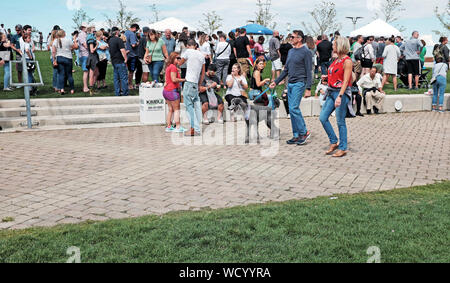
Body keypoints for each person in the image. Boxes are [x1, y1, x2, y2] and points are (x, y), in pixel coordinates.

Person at [270, 30, 312, 146]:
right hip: (290, 83)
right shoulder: (291, 51)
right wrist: (276, 81)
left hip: (300, 83)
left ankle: (304, 132)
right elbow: (286, 70)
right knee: (292, 110)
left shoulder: (306, 52)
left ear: (299, 38)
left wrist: (308, 88)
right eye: (290, 37)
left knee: (293, 108)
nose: (290, 39)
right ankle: (296, 135)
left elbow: (309, 71)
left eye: (292, 37)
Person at [319, 36, 354, 158]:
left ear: (340, 46)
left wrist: (340, 96)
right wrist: (326, 78)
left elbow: (345, 81)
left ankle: (343, 147)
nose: (332, 47)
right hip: (331, 91)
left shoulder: (347, 61)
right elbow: (335, 75)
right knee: (323, 117)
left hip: (340, 93)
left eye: (334, 45)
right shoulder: (336, 60)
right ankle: (334, 141)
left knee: (340, 121)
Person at [179, 39, 205, 136]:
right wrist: (199, 84)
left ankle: (195, 129)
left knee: (189, 106)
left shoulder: (188, 52)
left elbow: (180, 63)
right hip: (195, 83)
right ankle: (197, 127)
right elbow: (202, 73)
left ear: (187, 45)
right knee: (197, 106)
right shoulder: (201, 55)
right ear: (195, 45)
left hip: (189, 81)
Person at [163, 52, 187, 132]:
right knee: (177, 109)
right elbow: (174, 79)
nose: (179, 60)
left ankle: (169, 126)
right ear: (173, 58)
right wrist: (184, 79)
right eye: (178, 58)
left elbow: (167, 80)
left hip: (166, 90)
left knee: (170, 109)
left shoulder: (168, 66)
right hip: (172, 90)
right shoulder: (173, 67)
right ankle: (178, 126)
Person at [52, 29, 78, 95]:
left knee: (61, 74)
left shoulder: (55, 41)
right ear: (64, 34)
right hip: (68, 58)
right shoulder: (68, 40)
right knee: (69, 74)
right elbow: (75, 47)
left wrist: (54, 60)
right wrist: (74, 40)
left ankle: (62, 89)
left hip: (59, 58)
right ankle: (72, 89)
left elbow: (53, 51)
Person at [108, 27, 128, 96]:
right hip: (120, 61)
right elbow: (122, 50)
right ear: (117, 32)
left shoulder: (110, 40)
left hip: (114, 61)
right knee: (123, 78)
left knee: (116, 78)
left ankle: (117, 92)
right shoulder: (119, 40)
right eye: (118, 31)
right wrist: (125, 58)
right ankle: (125, 93)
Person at [125, 23, 140, 90]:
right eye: (136, 29)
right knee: (131, 71)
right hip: (132, 55)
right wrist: (138, 43)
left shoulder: (126, 32)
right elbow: (133, 44)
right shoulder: (132, 34)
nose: (136, 31)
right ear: (134, 28)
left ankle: (127, 84)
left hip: (127, 54)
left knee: (127, 70)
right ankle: (130, 85)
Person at [85, 26, 99, 95]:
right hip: (92, 57)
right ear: (90, 30)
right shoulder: (90, 38)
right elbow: (92, 50)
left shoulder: (92, 37)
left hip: (93, 57)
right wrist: (97, 45)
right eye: (93, 30)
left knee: (96, 73)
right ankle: (91, 90)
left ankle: (92, 88)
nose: (95, 30)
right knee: (92, 74)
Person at [77, 23, 90, 93]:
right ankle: (85, 87)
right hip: (84, 54)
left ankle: (86, 86)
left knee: (87, 71)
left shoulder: (85, 34)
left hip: (86, 54)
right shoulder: (81, 35)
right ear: (83, 28)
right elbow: (85, 45)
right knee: (85, 71)